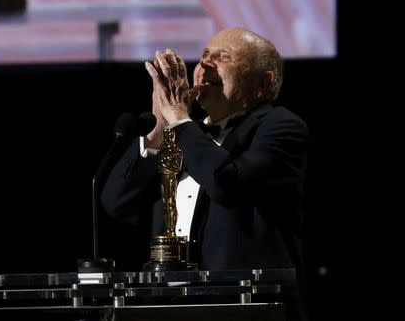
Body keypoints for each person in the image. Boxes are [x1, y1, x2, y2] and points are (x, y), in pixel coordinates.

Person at [101, 27, 309, 321]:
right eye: (203, 57)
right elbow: (116, 203)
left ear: (263, 83)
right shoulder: (184, 134)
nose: (205, 65)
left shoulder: (281, 127)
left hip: (248, 308)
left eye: (224, 57)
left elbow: (227, 184)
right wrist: (160, 131)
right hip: (173, 307)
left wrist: (179, 121)